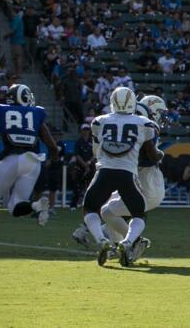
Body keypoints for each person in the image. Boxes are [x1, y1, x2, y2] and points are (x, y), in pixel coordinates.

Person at [0, 84, 58, 254]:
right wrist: (55, 163)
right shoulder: (36, 113)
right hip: (33, 161)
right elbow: (52, 145)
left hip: (13, 159)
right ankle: (36, 205)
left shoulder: (0, 111)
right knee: (16, 207)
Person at [72, 95, 168, 264]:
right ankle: (124, 246)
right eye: (159, 112)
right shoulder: (143, 125)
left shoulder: (130, 123)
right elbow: (148, 156)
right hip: (142, 180)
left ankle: (133, 243)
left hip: (146, 182)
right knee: (108, 210)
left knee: (108, 211)